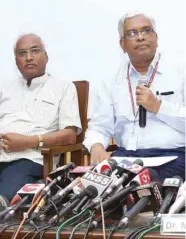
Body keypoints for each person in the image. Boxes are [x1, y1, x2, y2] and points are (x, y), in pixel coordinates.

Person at [83, 12, 185, 181]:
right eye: (132, 33)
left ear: (156, 38)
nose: (140, 37)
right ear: (122, 44)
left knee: (144, 190)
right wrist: (96, 146)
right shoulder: (111, 81)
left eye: (146, 31)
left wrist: (159, 107)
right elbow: (99, 126)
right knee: (91, 191)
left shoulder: (180, 73)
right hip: (126, 158)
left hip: (174, 156)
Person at [0, 33, 82, 201]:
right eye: (22, 53)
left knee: (4, 197)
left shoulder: (63, 87)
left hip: (31, 159)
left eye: (35, 51)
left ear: (46, 56)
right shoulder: (4, 88)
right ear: (16, 60)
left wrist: (28, 142)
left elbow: (70, 135)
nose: (28, 57)